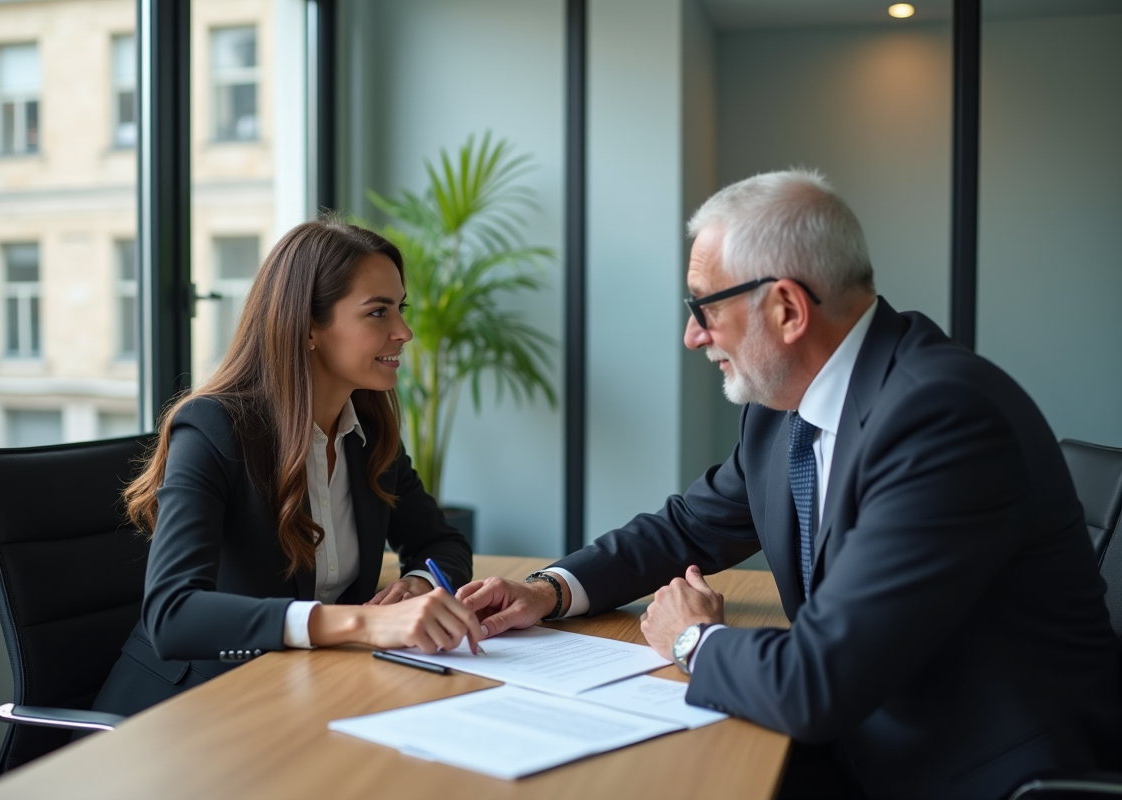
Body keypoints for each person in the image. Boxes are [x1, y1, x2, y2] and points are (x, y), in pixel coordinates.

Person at [458, 170, 1121, 800]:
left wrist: (694, 641)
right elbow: (687, 526)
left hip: (963, 773)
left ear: (786, 309)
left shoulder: (942, 418)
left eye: (703, 308)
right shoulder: (786, 411)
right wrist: (548, 590)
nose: (692, 336)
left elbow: (819, 685)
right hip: (863, 738)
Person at [93, 217, 482, 717]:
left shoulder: (367, 430)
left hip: (305, 692)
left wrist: (417, 586)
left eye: (399, 309)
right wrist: (360, 624)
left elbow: (440, 543)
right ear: (308, 328)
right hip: (189, 711)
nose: (404, 332)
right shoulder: (213, 429)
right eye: (378, 313)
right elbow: (173, 615)